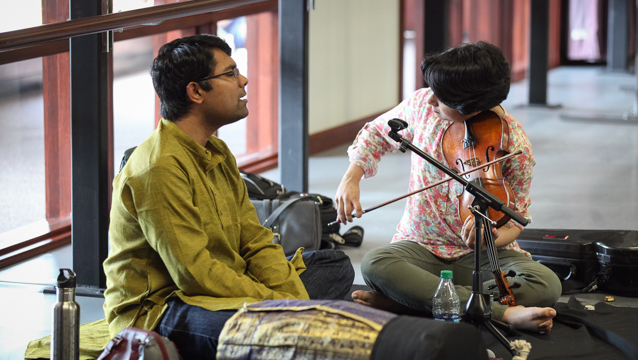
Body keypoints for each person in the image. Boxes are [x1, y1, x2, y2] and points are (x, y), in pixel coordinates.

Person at [103, 34, 354, 360]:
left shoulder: (217, 149)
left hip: (226, 286)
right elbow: (195, 274)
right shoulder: (157, 168)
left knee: (333, 265)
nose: (244, 80)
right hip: (166, 309)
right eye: (231, 73)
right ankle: (287, 324)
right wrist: (276, 302)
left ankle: (289, 322)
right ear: (195, 92)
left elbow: (254, 238)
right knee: (274, 331)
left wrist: (288, 298)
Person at [334, 41, 562, 334]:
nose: (430, 100)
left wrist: (491, 237)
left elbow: (517, 218)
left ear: (470, 107)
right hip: (420, 249)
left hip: (477, 258)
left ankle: (415, 300)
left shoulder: (514, 147)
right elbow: (377, 133)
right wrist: (351, 177)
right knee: (375, 264)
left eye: (441, 98)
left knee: (546, 285)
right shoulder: (421, 106)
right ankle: (499, 313)